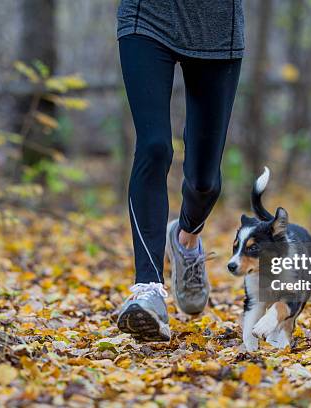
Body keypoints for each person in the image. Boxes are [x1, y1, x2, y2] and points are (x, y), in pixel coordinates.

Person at [115, 0, 245, 341]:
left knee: (205, 182)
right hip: (148, 16)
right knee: (154, 147)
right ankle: (148, 289)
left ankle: (187, 241)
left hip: (218, 30)